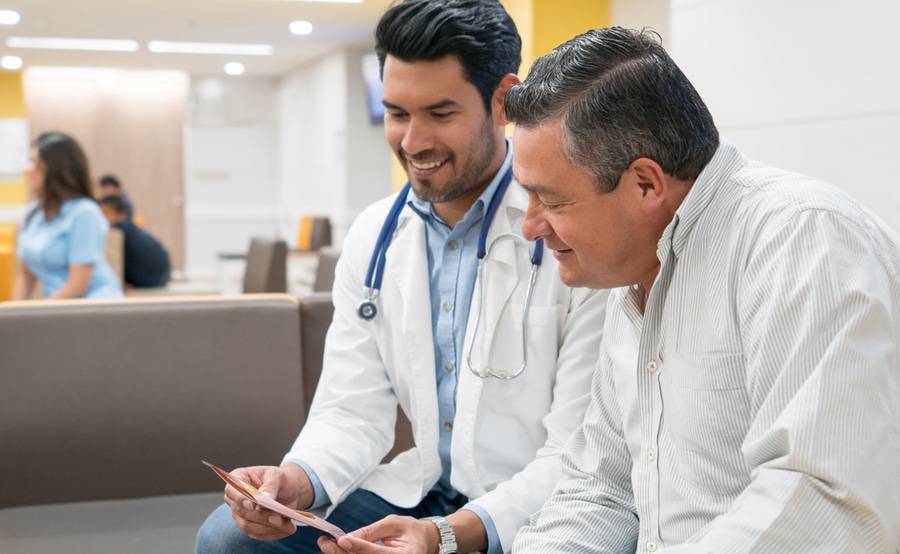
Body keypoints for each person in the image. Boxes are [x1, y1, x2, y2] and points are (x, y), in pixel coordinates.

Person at [195, 2, 608, 553]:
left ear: (503, 101)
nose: (413, 142)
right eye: (397, 113)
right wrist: (296, 482)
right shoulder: (375, 237)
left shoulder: (569, 230)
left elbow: (578, 451)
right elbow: (351, 408)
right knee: (230, 541)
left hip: (531, 504)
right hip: (421, 489)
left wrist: (446, 537)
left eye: (440, 114)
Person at [500, 27, 900, 552]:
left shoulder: (803, 241)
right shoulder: (635, 277)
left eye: (550, 201)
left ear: (645, 183)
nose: (531, 226)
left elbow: (820, 500)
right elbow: (601, 492)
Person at [12, 132, 123, 300]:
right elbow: (26, 276)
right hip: (57, 308)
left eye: (34, 162)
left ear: (56, 169)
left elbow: (78, 285)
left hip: (92, 306)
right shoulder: (31, 214)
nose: (27, 168)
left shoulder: (84, 212)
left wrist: (38, 317)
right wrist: (14, 318)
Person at [99, 195, 171, 288]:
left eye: (106, 213)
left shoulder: (118, 231)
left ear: (122, 213)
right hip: (162, 278)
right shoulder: (134, 229)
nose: (102, 218)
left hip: (150, 282)